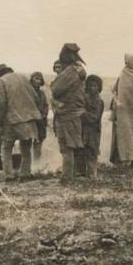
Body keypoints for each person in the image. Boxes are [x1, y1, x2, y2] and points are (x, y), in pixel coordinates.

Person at [0, 64, 43, 182]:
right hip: (29, 120)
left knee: (6, 148)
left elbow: (1, 104)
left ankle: (9, 175)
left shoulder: (1, 81)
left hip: (11, 121)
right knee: (26, 148)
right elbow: (36, 97)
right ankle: (25, 174)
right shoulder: (23, 77)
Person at [50, 44, 87, 180]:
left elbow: (56, 89)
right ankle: (74, 174)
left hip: (66, 112)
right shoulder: (78, 70)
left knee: (66, 147)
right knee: (73, 145)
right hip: (75, 112)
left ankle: (67, 177)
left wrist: (53, 96)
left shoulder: (70, 71)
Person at [109, 54, 133, 168]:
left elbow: (130, 93)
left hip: (131, 111)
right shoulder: (129, 74)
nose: (125, 66)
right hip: (123, 111)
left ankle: (128, 160)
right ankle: (120, 160)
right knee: (123, 135)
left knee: (128, 135)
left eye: (127, 63)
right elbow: (118, 89)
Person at [78, 75, 104, 179]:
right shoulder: (84, 98)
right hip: (83, 129)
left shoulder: (99, 101)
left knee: (92, 151)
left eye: (95, 86)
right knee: (81, 150)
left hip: (93, 131)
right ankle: (81, 173)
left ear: (99, 87)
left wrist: (82, 113)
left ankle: (92, 174)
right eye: (90, 86)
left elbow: (95, 117)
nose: (92, 88)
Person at [30, 72, 49, 160]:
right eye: (36, 78)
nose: (38, 81)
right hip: (31, 120)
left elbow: (46, 105)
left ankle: (36, 160)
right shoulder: (28, 92)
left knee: (39, 141)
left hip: (41, 120)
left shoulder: (42, 93)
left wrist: (44, 114)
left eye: (39, 79)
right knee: (28, 141)